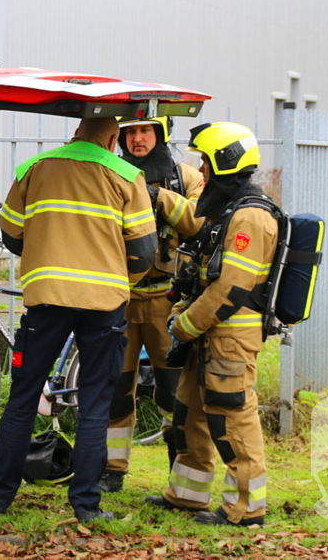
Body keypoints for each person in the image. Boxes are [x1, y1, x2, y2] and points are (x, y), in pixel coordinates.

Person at [0, 116, 157, 523]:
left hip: (46, 299)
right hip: (104, 304)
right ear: (111, 139)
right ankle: (86, 506)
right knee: (94, 405)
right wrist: (119, 281)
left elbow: (12, 233)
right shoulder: (127, 175)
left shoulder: (35, 169)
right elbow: (143, 250)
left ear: (75, 134)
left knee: (21, 400)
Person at [145, 122, 275, 527]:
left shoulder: (251, 218)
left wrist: (184, 325)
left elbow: (230, 290)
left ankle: (246, 508)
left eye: (205, 161)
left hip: (229, 336)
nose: (200, 171)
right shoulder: (229, 212)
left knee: (231, 417)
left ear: (225, 162)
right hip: (209, 332)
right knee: (191, 412)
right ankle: (186, 494)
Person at [98, 115, 204, 493]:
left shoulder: (187, 178)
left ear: (160, 135)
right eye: (129, 133)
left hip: (166, 300)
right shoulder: (109, 174)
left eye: (145, 132)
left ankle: (180, 471)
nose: (137, 139)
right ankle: (112, 469)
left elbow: (198, 222)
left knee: (172, 390)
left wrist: (158, 197)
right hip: (121, 298)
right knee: (116, 388)